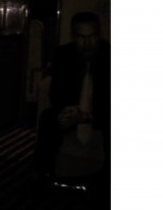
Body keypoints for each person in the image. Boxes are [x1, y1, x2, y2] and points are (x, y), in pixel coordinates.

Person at [35, 11, 110, 187]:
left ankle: (107, 181)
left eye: (92, 36)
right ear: (73, 36)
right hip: (73, 111)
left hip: (100, 114)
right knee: (48, 118)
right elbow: (57, 92)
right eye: (81, 37)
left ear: (99, 35)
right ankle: (43, 176)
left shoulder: (109, 56)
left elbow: (108, 99)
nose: (87, 43)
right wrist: (67, 112)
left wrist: (86, 116)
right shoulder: (63, 54)